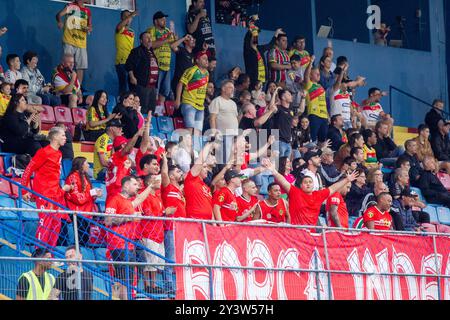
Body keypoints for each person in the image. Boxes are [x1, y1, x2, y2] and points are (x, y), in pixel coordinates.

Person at [104, 175, 158, 300]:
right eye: (134, 184)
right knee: (123, 277)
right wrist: (130, 217)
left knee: (136, 267)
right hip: (118, 243)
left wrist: (150, 186)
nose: (137, 187)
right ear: (126, 185)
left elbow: (139, 199)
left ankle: (127, 295)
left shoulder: (128, 202)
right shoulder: (115, 199)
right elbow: (108, 220)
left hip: (130, 243)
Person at [263, 159, 358, 227]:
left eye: (310, 182)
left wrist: (347, 180)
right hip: (296, 233)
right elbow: (283, 181)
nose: (308, 184)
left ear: (313, 185)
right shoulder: (295, 192)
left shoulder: (318, 195)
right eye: (305, 182)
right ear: (301, 186)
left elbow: (333, 188)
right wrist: (273, 170)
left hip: (310, 236)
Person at [21, 127, 72, 247]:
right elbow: (28, 170)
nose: (65, 138)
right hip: (44, 194)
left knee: (56, 226)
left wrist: (60, 190)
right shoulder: (43, 152)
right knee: (45, 225)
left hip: (56, 195)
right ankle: (40, 254)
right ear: (55, 137)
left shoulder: (59, 153)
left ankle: (50, 256)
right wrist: (24, 191)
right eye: (63, 135)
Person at [138, 174, 176, 295]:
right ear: (150, 182)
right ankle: (147, 285)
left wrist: (165, 212)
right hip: (148, 233)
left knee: (156, 262)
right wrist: (165, 212)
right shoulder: (145, 196)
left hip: (158, 234)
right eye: (157, 180)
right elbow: (148, 214)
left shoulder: (157, 196)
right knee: (148, 262)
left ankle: (153, 285)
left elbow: (159, 213)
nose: (160, 182)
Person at [160, 153, 186, 293]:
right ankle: (169, 286)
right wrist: (165, 160)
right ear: (171, 176)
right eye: (177, 171)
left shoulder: (178, 190)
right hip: (170, 227)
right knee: (170, 257)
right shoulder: (168, 186)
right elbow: (163, 172)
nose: (180, 173)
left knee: (177, 258)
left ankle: (178, 285)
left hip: (181, 228)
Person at [65, 157, 102, 246]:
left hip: (86, 213)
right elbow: (78, 199)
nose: (89, 165)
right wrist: (92, 193)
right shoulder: (72, 177)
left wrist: (95, 194)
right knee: (80, 241)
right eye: (86, 163)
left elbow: (88, 197)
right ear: (81, 165)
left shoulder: (85, 177)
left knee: (85, 240)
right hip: (77, 213)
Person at [56, 0, 92, 86]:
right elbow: (59, 15)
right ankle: (66, 86)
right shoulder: (71, 6)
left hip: (82, 43)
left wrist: (89, 28)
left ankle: (78, 88)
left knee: (80, 67)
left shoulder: (88, 11)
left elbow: (90, 26)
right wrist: (59, 21)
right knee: (67, 65)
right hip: (69, 40)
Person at [175, 51, 210, 140]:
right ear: (197, 60)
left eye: (207, 58)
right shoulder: (191, 70)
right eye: (204, 58)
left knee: (198, 131)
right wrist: (178, 100)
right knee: (189, 129)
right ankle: (186, 149)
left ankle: (196, 151)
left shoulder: (206, 73)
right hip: (189, 104)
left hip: (200, 107)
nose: (207, 60)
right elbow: (180, 84)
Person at [105, 127, 143, 199]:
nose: (132, 146)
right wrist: (137, 135)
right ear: (123, 146)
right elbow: (127, 150)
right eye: (128, 144)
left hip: (115, 193)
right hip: (117, 192)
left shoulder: (117, 157)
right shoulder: (118, 156)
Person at [126, 32, 159, 114]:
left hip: (152, 87)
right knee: (142, 109)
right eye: (147, 37)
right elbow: (128, 64)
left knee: (151, 110)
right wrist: (132, 77)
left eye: (150, 37)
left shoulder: (151, 52)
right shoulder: (137, 51)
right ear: (141, 40)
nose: (149, 39)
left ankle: (148, 126)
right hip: (142, 85)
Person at [243, 20, 280, 90]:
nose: (256, 39)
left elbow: (270, 45)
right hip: (253, 80)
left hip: (262, 80)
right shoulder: (248, 50)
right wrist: (252, 27)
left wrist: (276, 34)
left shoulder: (260, 48)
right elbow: (247, 38)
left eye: (257, 37)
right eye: (254, 37)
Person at [209, 80, 239, 162]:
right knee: (224, 159)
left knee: (231, 157)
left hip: (233, 134)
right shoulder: (217, 101)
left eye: (233, 88)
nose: (232, 89)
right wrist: (214, 133)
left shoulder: (233, 103)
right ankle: (224, 173)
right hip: (223, 134)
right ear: (223, 89)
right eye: (230, 87)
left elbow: (235, 118)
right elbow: (212, 118)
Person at [184, 142, 215, 220]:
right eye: (204, 167)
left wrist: (214, 225)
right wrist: (208, 144)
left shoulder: (206, 187)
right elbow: (200, 160)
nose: (207, 169)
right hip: (195, 221)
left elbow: (209, 207)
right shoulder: (191, 179)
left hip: (207, 223)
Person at [304, 55, 329, 144]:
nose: (318, 74)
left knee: (323, 141)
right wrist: (311, 62)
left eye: (319, 73)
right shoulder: (309, 84)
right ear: (311, 75)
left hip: (324, 116)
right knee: (313, 140)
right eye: (316, 73)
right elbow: (306, 75)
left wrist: (328, 115)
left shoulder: (321, 86)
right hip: (314, 115)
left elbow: (325, 102)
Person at [115, 10, 137, 95]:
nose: (128, 18)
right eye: (126, 16)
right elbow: (119, 26)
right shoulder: (119, 29)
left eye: (130, 16)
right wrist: (131, 15)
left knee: (132, 87)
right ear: (121, 18)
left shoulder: (132, 31)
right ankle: (121, 105)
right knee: (123, 87)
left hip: (130, 62)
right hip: (121, 62)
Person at [272, 89, 294, 158]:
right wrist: (274, 93)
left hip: (288, 142)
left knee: (285, 166)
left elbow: (301, 111)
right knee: (278, 165)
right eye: (289, 95)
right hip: (279, 141)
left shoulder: (291, 110)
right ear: (283, 97)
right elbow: (271, 108)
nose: (291, 96)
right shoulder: (278, 108)